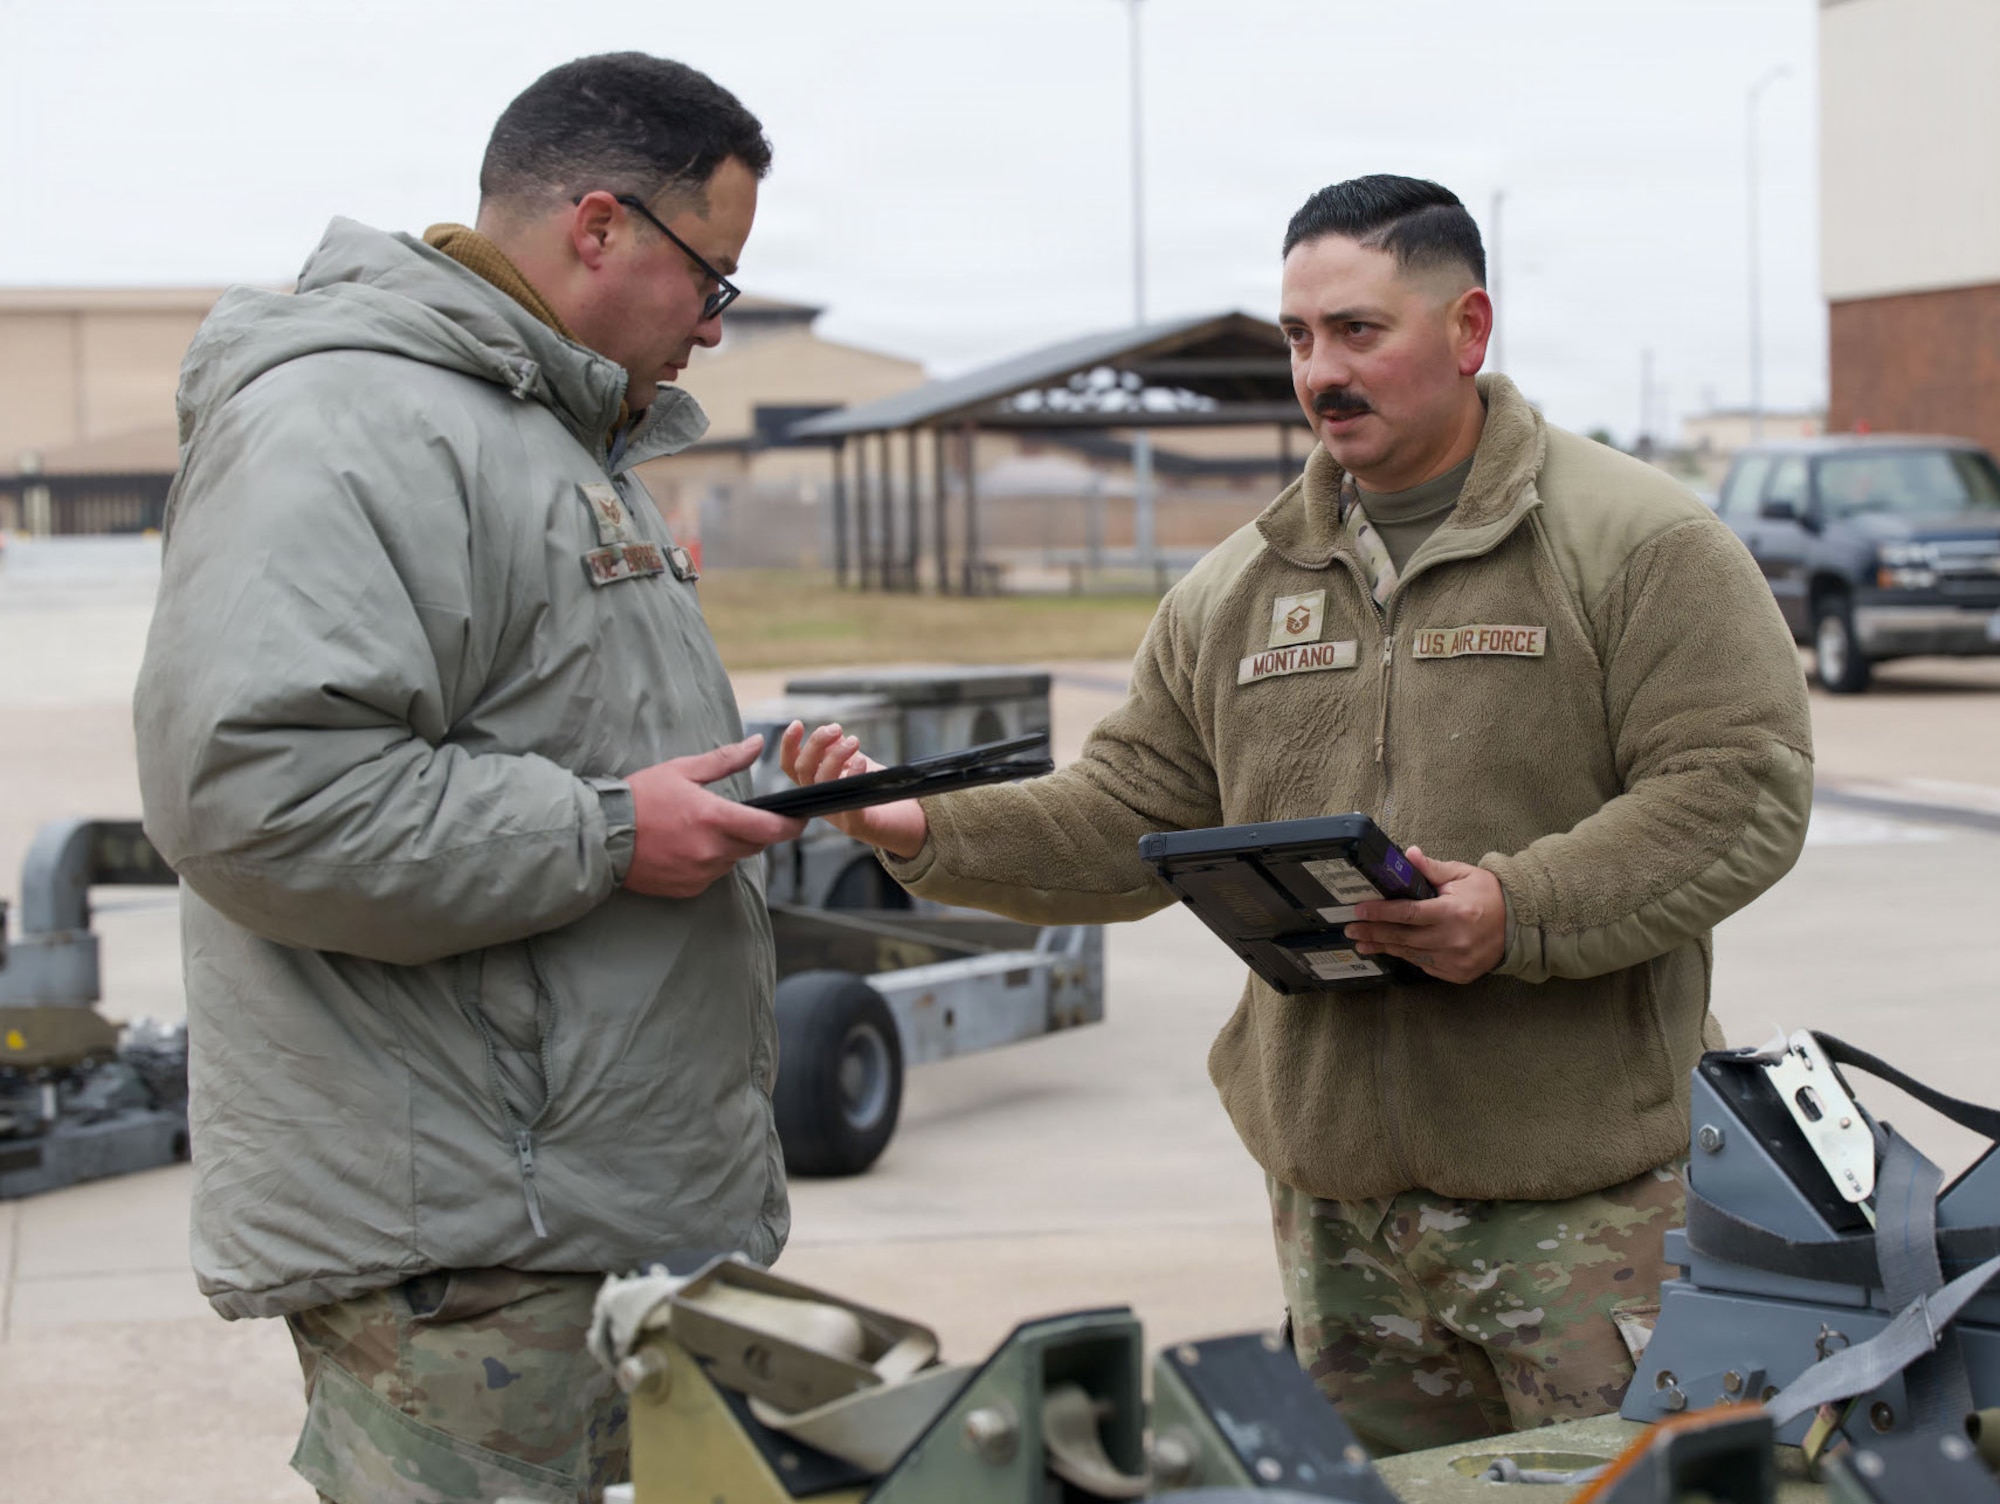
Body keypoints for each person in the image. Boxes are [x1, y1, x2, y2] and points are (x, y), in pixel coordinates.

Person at [782, 175, 1815, 1455]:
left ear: (1468, 328)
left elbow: (1737, 786)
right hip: (1336, 1225)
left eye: (1357, 331)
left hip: (1583, 1212)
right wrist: (922, 836)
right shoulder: (1236, 587)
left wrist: (1517, 910)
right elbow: (1129, 813)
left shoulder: (1634, 542)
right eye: (1296, 337)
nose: (1318, 370)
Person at [134, 53, 804, 1504]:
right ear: (604, 227)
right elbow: (258, 797)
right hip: (462, 1243)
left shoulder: (541, 433)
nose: (714, 323)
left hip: (559, 1219)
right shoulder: (354, 421)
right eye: (715, 278)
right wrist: (614, 834)